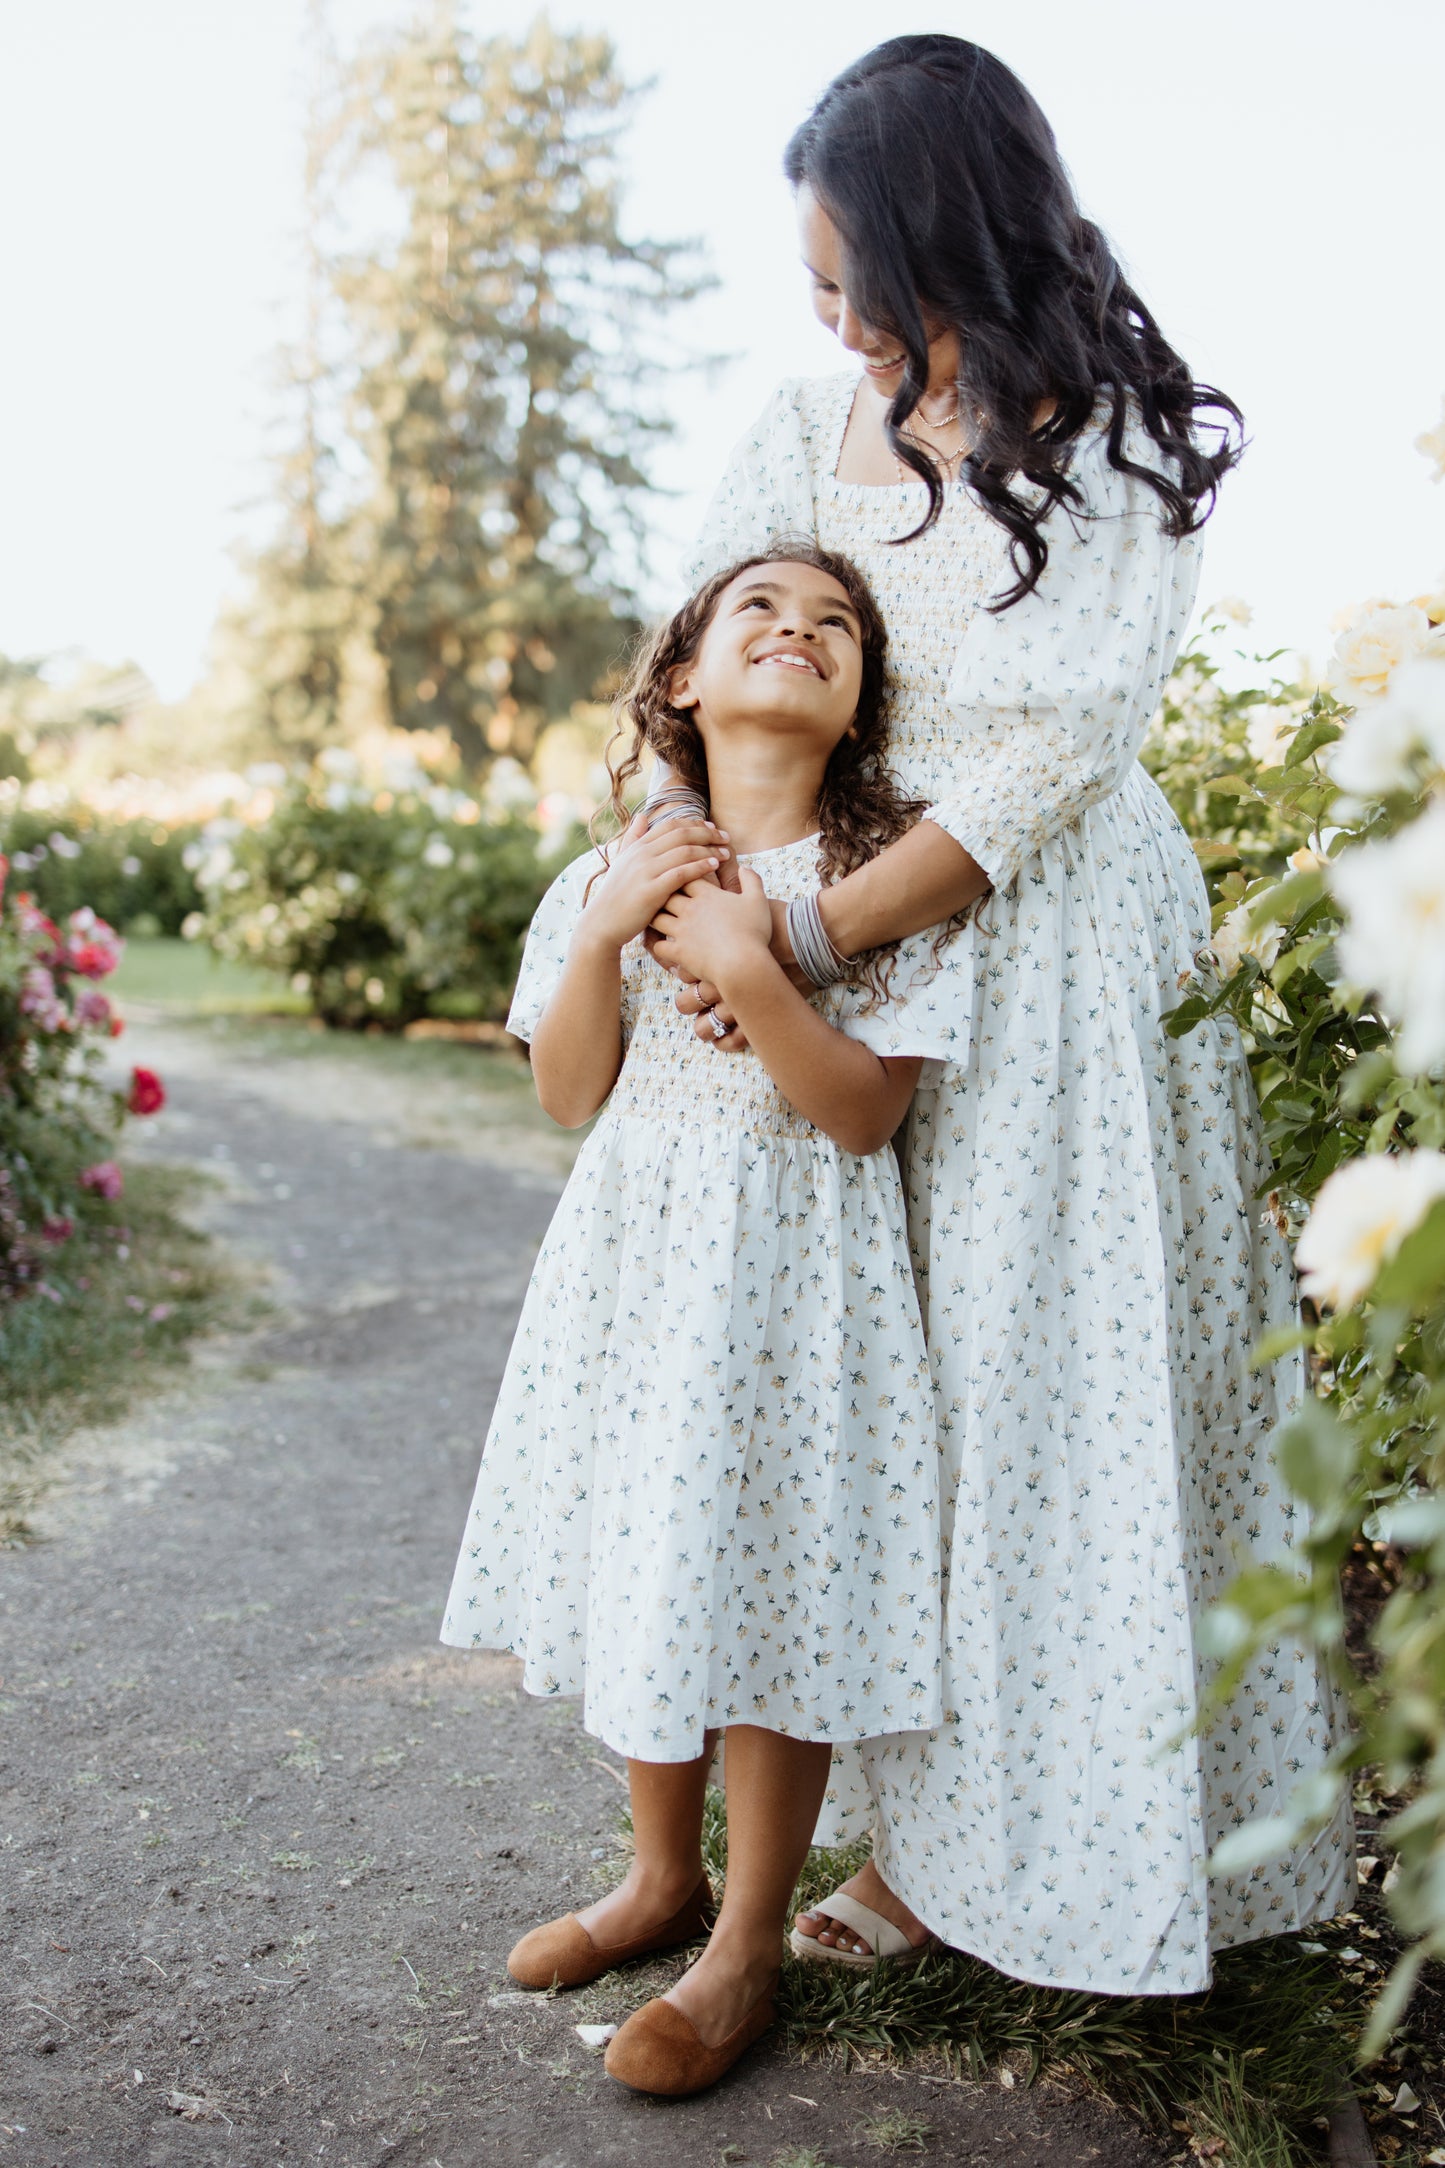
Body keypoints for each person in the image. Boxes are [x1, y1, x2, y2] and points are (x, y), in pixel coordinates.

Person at [646, 35, 1353, 1995]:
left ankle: (1087, 1844)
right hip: (825, 951)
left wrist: (816, 936)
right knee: (890, 1393)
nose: (835, 322)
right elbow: (686, 670)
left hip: (1054, 958)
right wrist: (698, 909)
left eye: (854, 280)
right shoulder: (802, 428)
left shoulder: (1118, 441)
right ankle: (903, 1833)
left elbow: (1050, 756)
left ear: (951, 235)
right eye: (810, 288)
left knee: (1068, 1392)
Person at [442, 546, 956, 2096]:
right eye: (759, 612)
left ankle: (741, 1944)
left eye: (835, 625)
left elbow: (864, 1115)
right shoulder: (599, 877)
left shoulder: (885, 892)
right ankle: (654, 1878)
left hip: (802, 1290)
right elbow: (566, 1090)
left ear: (859, 697)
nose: (798, 632)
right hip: (636, 1278)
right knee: (652, 1556)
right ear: (680, 681)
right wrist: (607, 933)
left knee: (774, 1580)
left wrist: (755, 963)